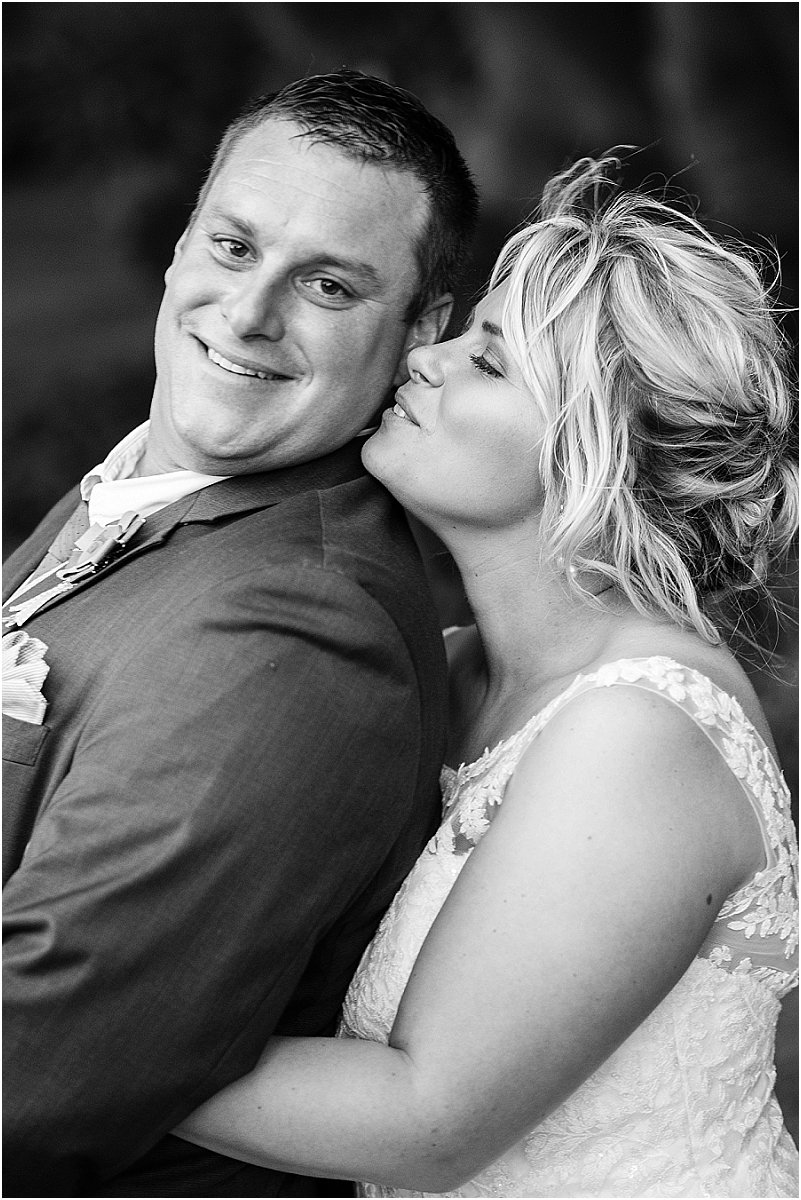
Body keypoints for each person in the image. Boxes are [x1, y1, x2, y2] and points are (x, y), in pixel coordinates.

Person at [173, 156, 799, 1197]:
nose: (424, 359)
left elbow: (427, 1121)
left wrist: (74, 1034)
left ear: (596, 448)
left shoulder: (641, 735)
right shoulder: (456, 668)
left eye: (490, 363)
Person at [2, 71, 478, 1197]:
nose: (250, 313)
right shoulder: (148, 487)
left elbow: (34, 1073)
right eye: (233, 246)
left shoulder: (297, 635)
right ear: (181, 247)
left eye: (328, 285)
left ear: (421, 331)